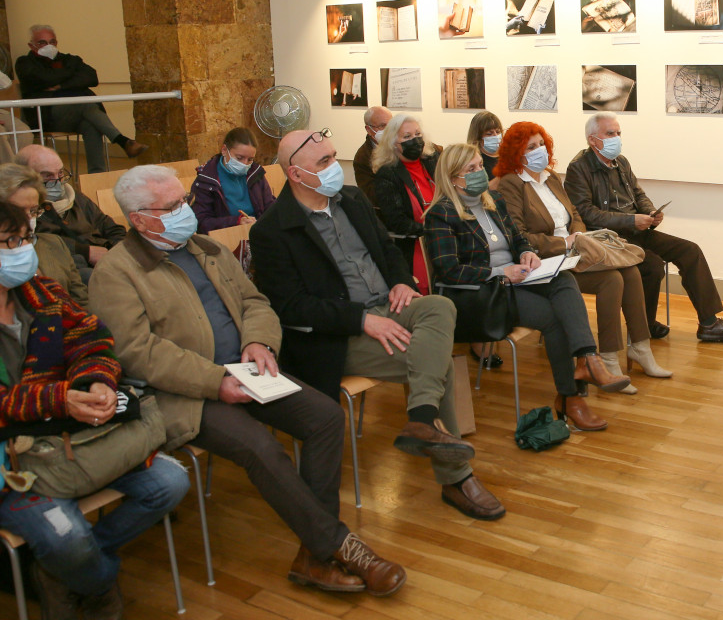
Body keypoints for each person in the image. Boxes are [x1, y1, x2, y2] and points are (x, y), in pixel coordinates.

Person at [89, 165, 406, 596]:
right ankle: (338, 546)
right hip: (184, 395)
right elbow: (138, 353)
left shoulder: (205, 249)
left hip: (249, 371)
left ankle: (315, 553)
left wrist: (260, 343)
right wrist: (214, 379)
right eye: (172, 207)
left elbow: (256, 302)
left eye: (184, 200)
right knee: (259, 445)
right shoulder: (116, 273)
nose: (186, 210)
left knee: (326, 417)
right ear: (140, 218)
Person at [250, 129, 506, 521]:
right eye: (324, 163)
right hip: (336, 336)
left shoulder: (351, 200)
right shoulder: (270, 230)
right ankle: (455, 478)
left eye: (335, 157)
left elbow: (388, 250)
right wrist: (362, 320)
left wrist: (402, 281)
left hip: (388, 305)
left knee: (438, 306)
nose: (336, 167)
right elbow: (292, 307)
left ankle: (421, 419)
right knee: (433, 363)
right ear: (297, 175)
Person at [0, 199, 188, 620]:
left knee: (171, 483)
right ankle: (95, 580)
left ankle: (62, 574)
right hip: (13, 465)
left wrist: (96, 382)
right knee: (67, 540)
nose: (21, 250)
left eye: (25, 238)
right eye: (9, 241)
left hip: (73, 437)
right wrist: (58, 398)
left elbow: (90, 336)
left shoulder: (39, 291)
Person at [426, 143, 631, 431]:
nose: (478, 173)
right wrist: (501, 272)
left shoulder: (493, 201)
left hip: (516, 280)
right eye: (470, 170)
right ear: (452, 178)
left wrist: (526, 253)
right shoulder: (441, 215)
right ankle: (572, 397)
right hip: (483, 295)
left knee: (563, 278)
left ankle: (588, 359)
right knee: (553, 317)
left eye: (478, 167)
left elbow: (518, 238)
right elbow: (449, 270)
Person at [494, 121, 670, 383]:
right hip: (545, 261)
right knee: (612, 279)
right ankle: (608, 358)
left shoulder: (551, 178)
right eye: (531, 147)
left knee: (631, 271)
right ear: (517, 152)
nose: (539, 150)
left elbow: (574, 213)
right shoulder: (511, 184)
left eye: (541, 144)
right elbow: (518, 235)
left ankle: (640, 348)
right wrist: (562, 244)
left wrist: (575, 236)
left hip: (575, 251)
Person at [565, 112, 723, 343]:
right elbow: (586, 213)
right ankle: (645, 325)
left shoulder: (621, 162)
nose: (617, 138)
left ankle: (709, 324)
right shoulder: (578, 169)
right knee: (651, 266)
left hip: (636, 230)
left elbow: (638, 193)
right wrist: (631, 220)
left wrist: (650, 212)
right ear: (592, 140)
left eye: (618, 133)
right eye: (610, 133)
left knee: (690, 250)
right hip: (609, 238)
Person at [13, 25, 147, 173]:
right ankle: (123, 141)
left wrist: (60, 86)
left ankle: (97, 174)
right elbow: (45, 78)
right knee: (85, 104)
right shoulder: (24, 63)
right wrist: (71, 72)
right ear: (31, 45)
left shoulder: (68, 59)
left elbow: (91, 77)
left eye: (52, 42)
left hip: (73, 116)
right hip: (44, 115)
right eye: (43, 43)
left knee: (91, 124)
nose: (49, 46)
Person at [17, 144, 126, 281]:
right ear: (26, 176)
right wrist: (85, 251)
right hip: (73, 266)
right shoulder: (26, 209)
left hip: (107, 256)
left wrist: (118, 252)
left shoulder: (76, 197)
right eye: (48, 176)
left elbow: (110, 227)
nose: (58, 181)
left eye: (60, 173)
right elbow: (39, 242)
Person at [0, 163, 90, 308]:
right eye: (18, 211)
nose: (28, 218)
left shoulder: (55, 244)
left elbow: (82, 304)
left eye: (34, 210)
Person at [370, 112, 443, 279]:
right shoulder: (387, 174)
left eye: (418, 134)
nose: (415, 140)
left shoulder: (432, 160)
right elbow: (397, 222)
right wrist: (431, 230)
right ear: (393, 143)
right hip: (417, 241)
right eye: (407, 136)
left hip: (447, 235)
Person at [190, 127, 277, 233]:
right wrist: (236, 222)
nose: (244, 164)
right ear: (224, 150)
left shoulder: (255, 173)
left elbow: (270, 206)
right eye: (239, 158)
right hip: (225, 239)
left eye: (250, 159)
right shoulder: (206, 180)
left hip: (257, 234)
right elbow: (201, 223)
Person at [353, 106, 391, 203]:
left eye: (391, 125)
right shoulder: (362, 157)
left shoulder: (401, 143)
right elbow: (370, 194)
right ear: (369, 129)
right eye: (382, 126)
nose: (388, 130)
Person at [465, 110, 504, 189]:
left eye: (498, 132)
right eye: (489, 134)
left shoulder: (506, 156)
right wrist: (503, 174)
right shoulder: (473, 161)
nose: (495, 136)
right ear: (477, 137)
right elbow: (479, 190)